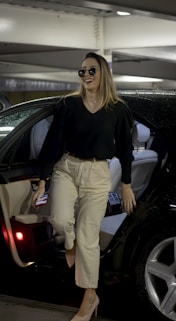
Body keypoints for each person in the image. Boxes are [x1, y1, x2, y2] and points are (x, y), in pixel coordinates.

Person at [32, 51, 136, 321]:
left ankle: (90, 297)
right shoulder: (68, 105)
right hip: (67, 168)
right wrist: (42, 182)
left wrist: (126, 184)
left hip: (98, 174)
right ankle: (70, 245)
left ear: (103, 73)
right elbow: (52, 143)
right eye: (82, 71)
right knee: (59, 220)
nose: (86, 75)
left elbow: (126, 150)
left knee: (88, 238)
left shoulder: (118, 109)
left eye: (91, 70)